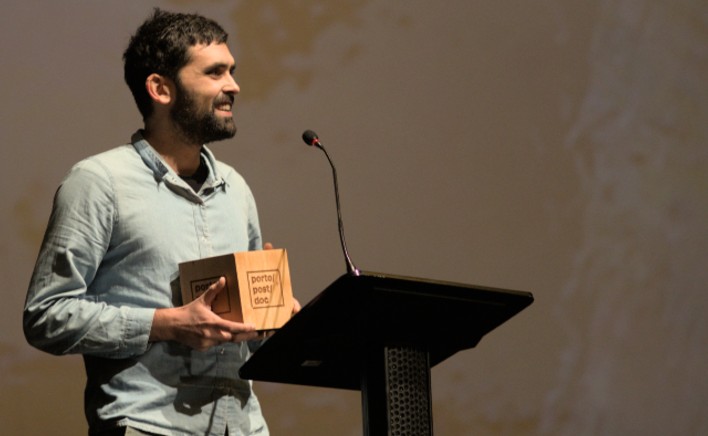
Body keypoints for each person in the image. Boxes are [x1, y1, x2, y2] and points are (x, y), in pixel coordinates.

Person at [23, 8, 293, 436]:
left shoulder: (236, 189)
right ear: (160, 89)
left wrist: (274, 318)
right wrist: (166, 324)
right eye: (215, 72)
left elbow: (246, 336)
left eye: (231, 71)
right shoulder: (99, 182)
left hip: (242, 427)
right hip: (148, 425)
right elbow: (46, 315)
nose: (233, 85)